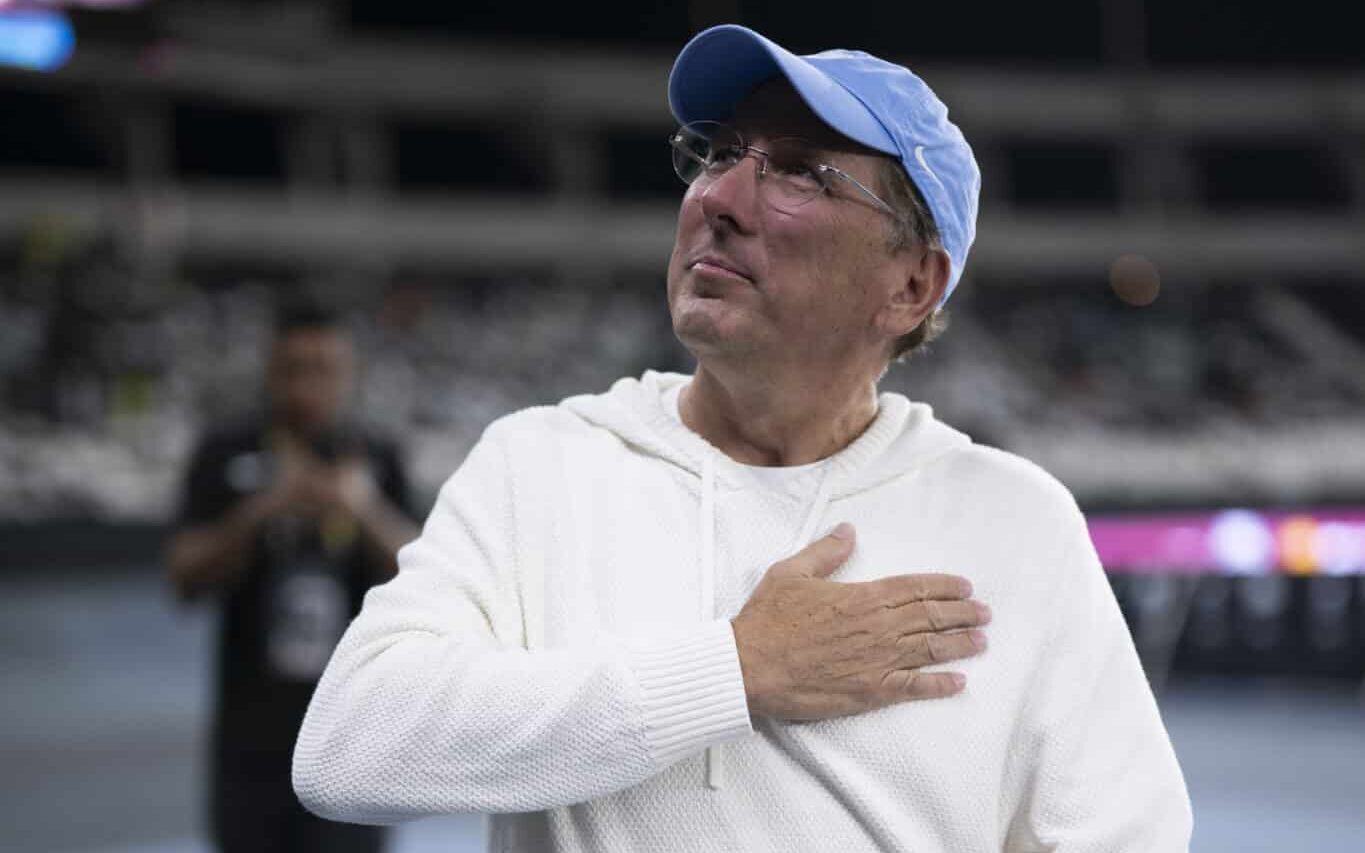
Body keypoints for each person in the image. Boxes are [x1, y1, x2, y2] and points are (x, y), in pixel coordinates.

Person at [293, 24, 1191, 851]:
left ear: (912, 287)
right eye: (719, 154)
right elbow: (346, 750)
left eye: (801, 170)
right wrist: (735, 667)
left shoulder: (1012, 521)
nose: (718, 196)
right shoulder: (543, 462)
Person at [167, 301, 418, 853]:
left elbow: (422, 579)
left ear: (347, 375)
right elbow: (182, 577)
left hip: (352, 739)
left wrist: (361, 511)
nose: (307, 387)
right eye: (292, 369)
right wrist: (262, 510)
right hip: (250, 743)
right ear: (269, 371)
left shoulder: (377, 457)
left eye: (323, 370)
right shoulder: (226, 451)